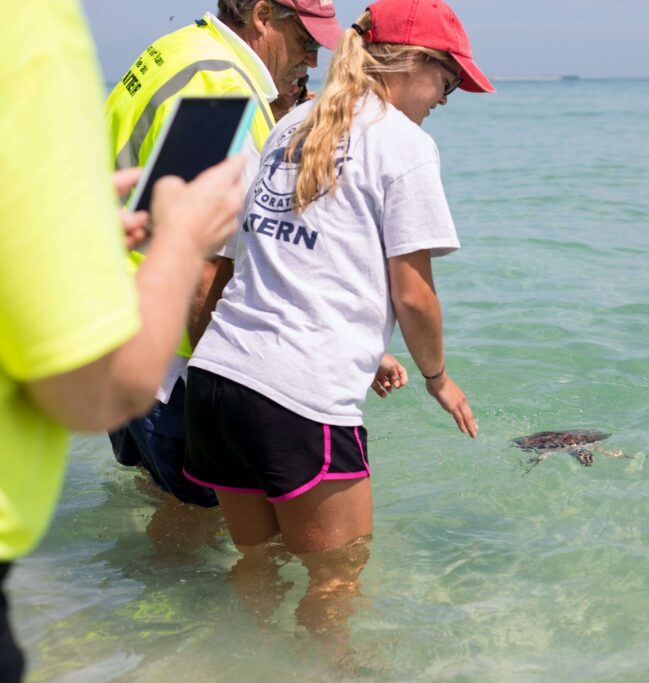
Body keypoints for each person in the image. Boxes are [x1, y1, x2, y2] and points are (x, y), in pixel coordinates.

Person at [183, 0, 492, 597]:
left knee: (257, 567)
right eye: (447, 79)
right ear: (409, 63)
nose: (447, 98)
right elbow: (414, 292)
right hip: (298, 400)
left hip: (216, 383)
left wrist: (366, 349)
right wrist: (439, 378)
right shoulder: (403, 144)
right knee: (336, 581)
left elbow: (259, 258)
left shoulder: (290, 124)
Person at [0, 3, 247, 681]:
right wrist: (181, 241)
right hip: (157, 354)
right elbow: (96, 395)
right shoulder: (30, 29)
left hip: (117, 295)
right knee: (194, 515)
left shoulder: (166, 50)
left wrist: (75, 220)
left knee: (165, 507)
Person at [104, 0, 347, 507]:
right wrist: (221, 405)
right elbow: (196, 262)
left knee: (169, 516)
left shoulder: (181, 50)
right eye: (306, 40)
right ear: (262, 16)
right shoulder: (217, 86)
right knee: (203, 531)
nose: (314, 59)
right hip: (168, 367)